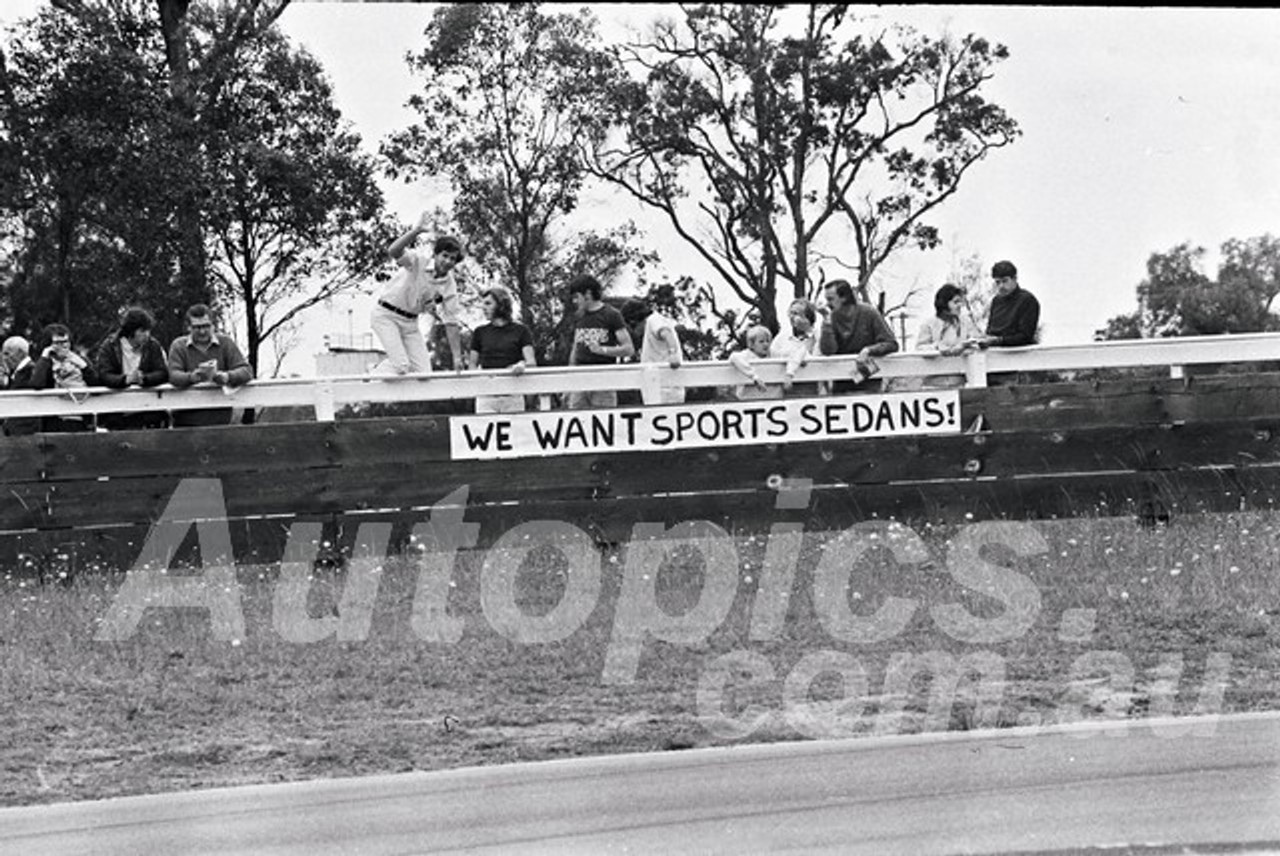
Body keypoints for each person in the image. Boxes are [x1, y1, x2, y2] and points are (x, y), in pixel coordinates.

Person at [372, 211, 465, 376]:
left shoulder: (449, 285)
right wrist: (416, 231)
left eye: (452, 258)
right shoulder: (418, 262)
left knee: (424, 374)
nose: (448, 261)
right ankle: (368, 379)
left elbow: (451, 322)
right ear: (435, 254)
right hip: (386, 315)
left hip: (410, 323)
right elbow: (393, 251)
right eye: (444, 256)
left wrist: (457, 358)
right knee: (401, 366)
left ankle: (383, 374)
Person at [167, 304, 254, 427]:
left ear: (213, 325)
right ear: (188, 328)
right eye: (197, 327)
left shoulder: (225, 343)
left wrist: (227, 377)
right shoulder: (179, 346)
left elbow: (247, 371)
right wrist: (192, 377)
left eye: (206, 326)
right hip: (186, 422)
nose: (202, 331)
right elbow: (173, 375)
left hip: (221, 421)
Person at [566, 273, 634, 409]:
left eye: (577, 297)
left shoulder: (612, 315)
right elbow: (575, 349)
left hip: (604, 381)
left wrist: (603, 350)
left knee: (603, 422)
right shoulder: (579, 316)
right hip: (579, 382)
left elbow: (628, 349)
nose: (575, 301)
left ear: (588, 294)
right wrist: (569, 380)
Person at [95, 306, 169, 430]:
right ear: (131, 330)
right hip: (116, 410)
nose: (147, 334)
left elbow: (162, 372)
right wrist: (126, 380)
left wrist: (144, 379)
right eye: (142, 331)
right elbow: (103, 375)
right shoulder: (109, 346)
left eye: (148, 330)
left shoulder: (153, 345)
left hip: (148, 409)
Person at [818, 279, 899, 393]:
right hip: (841, 381)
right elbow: (828, 351)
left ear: (844, 297)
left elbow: (891, 344)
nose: (827, 304)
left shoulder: (869, 312)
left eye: (830, 299)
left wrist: (869, 350)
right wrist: (827, 322)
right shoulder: (831, 318)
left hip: (869, 379)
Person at [469, 286, 536, 414]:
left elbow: (531, 362)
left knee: (515, 432)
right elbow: (472, 364)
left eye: (488, 303)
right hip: (487, 395)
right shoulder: (479, 332)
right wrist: (478, 383)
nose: (484, 308)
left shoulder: (521, 331)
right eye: (483, 304)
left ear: (501, 305)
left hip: (512, 394)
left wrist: (521, 365)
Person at [29, 323, 98, 433]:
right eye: (57, 343)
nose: (63, 346)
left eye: (66, 342)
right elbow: (37, 384)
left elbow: (96, 384)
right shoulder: (45, 364)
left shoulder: (80, 360)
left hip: (81, 418)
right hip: (55, 421)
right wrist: (44, 357)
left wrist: (84, 367)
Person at [620, 290, 685, 405]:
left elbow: (666, 333)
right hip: (658, 385)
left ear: (633, 321)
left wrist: (673, 354)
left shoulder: (653, 320)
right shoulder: (652, 324)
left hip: (664, 388)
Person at [977, 260, 1040, 348]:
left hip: (1020, 356)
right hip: (995, 355)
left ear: (1014, 279)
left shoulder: (1027, 300)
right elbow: (990, 331)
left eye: (1005, 281)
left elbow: (1025, 336)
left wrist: (998, 340)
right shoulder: (996, 301)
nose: (1001, 286)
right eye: (998, 282)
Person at [771, 298, 819, 396]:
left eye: (798, 314)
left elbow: (819, 355)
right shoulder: (782, 337)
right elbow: (772, 357)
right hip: (786, 388)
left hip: (812, 388)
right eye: (791, 313)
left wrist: (808, 332)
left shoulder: (818, 334)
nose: (793, 317)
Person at [728, 325, 783, 401]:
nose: (766, 344)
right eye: (761, 341)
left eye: (768, 341)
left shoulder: (774, 354)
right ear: (752, 344)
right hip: (749, 400)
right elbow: (734, 357)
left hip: (773, 399)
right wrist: (754, 377)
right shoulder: (746, 355)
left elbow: (790, 355)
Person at [1, 335, 38, 436]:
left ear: (20, 353)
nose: (4, 358)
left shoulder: (30, 371)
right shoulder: (17, 373)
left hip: (24, 431)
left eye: (7, 354)